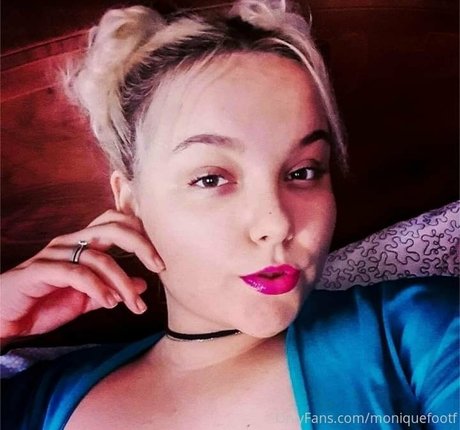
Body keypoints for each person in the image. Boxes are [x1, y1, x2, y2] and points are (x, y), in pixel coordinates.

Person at [1, 1, 458, 429]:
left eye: (303, 172)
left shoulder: (418, 334)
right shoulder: (38, 400)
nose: (276, 225)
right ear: (130, 200)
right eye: (210, 179)